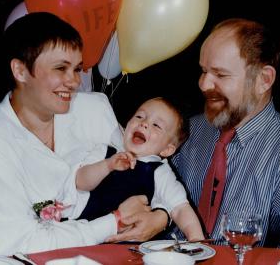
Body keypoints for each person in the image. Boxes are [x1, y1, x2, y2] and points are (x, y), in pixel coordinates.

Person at [0, 12, 168, 255]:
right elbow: (18, 246)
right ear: (20, 71)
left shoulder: (94, 109)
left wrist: (162, 215)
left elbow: (145, 165)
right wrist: (114, 221)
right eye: (61, 68)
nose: (74, 81)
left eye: (77, 69)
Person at [171, 17, 280, 248]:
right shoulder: (189, 131)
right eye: (203, 71)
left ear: (264, 80)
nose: (204, 84)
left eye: (220, 75)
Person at [75, 97, 205, 242]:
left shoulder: (160, 172)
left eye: (156, 125)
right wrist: (107, 165)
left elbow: (180, 208)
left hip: (128, 249)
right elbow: (80, 182)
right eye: (139, 116)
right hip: (87, 236)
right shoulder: (105, 152)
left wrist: (196, 239)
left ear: (167, 150)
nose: (144, 124)